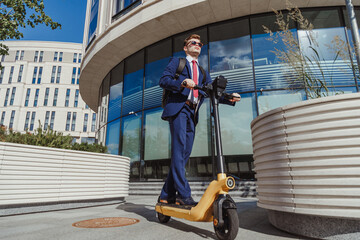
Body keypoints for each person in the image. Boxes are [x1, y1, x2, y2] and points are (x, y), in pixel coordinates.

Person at [158, 34, 240, 206]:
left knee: (183, 155)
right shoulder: (177, 62)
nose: (197, 45)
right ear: (186, 47)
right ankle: (183, 194)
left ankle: (166, 195)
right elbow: (164, 80)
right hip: (179, 109)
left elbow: (212, 91)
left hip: (191, 113)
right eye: (193, 43)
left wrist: (228, 98)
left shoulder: (203, 72)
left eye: (199, 44)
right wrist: (181, 83)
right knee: (179, 152)